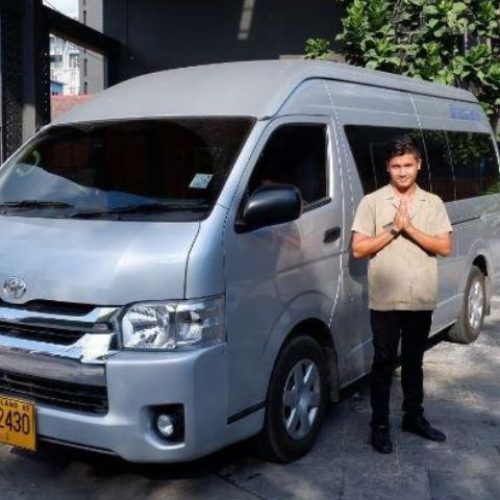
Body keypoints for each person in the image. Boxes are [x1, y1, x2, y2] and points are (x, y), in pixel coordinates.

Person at [351, 135, 452, 454]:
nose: (402, 172)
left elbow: (444, 247)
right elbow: (358, 249)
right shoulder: (372, 202)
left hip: (420, 296)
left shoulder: (433, 203)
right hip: (384, 299)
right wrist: (393, 229)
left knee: (414, 361)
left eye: (408, 165)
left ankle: (413, 417)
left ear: (419, 165)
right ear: (387, 167)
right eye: (396, 166)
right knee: (383, 361)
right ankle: (379, 426)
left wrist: (409, 228)